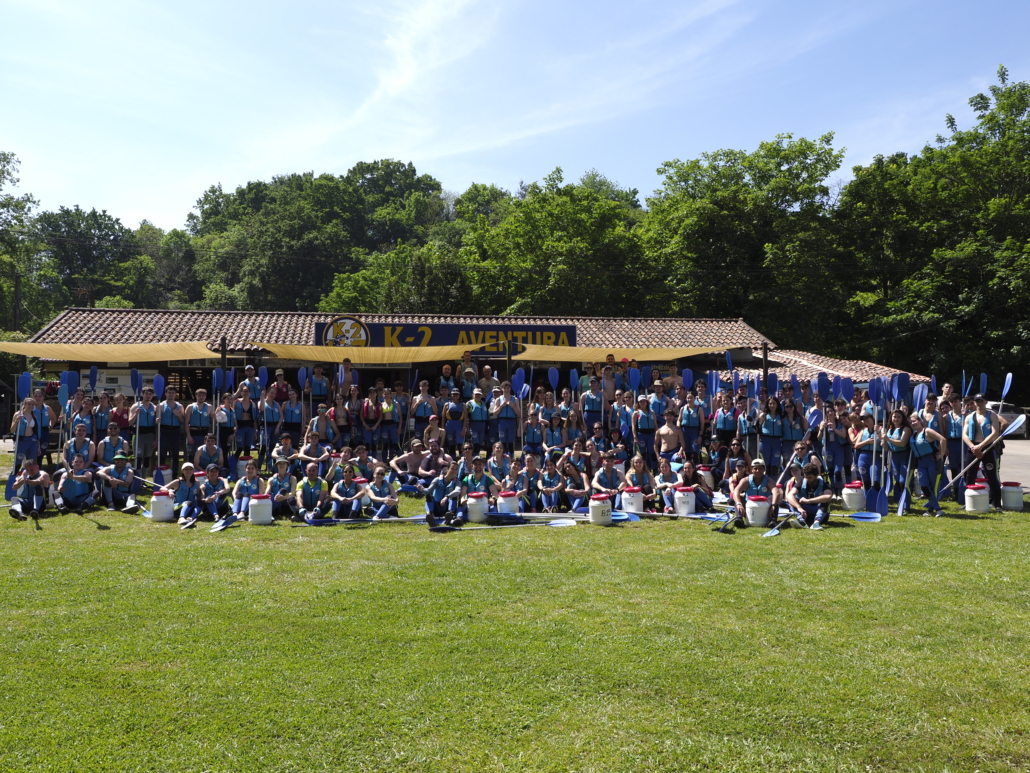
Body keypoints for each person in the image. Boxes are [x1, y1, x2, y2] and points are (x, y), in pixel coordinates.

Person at [963, 394, 1003, 511]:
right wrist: (973, 447)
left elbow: (995, 433)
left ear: (986, 402)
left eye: (981, 401)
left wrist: (981, 446)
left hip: (987, 448)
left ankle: (997, 504)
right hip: (973, 448)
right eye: (977, 401)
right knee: (969, 475)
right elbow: (964, 435)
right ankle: (969, 502)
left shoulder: (992, 415)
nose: (979, 403)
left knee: (991, 475)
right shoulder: (969, 417)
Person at [908, 414, 946, 516]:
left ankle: (931, 510)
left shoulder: (927, 431)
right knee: (924, 487)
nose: (913, 423)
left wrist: (941, 454)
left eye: (914, 421)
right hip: (921, 463)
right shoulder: (913, 435)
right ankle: (938, 510)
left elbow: (942, 439)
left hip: (932, 462)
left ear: (920, 421)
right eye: (911, 422)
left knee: (933, 487)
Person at [731, 458, 782, 524]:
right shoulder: (745, 480)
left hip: (765, 507)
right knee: (738, 499)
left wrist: (773, 505)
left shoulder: (769, 481)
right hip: (750, 507)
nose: (757, 471)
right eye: (755, 469)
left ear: (764, 469)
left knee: (774, 499)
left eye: (760, 468)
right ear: (752, 469)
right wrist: (739, 504)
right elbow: (736, 491)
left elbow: (776, 493)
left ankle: (773, 520)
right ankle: (739, 518)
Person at [881, 409, 912, 509]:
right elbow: (888, 447)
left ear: (903, 418)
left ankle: (906, 505)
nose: (896, 419)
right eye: (894, 417)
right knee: (898, 482)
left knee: (903, 482)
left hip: (904, 456)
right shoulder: (890, 430)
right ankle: (901, 503)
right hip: (894, 457)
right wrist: (884, 444)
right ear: (891, 418)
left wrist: (887, 439)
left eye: (899, 417)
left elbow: (902, 443)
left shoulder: (905, 429)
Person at [785, 463, 832, 528]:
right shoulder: (802, 482)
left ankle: (816, 523)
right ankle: (802, 522)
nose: (807, 479)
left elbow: (828, 497)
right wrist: (799, 507)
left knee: (825, 501)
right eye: (806, 477)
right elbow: (789, 495)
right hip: (804, 513)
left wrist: (808, 501)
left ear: (816, 475)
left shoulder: (824, 483)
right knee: (793, 501)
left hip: (820, 513)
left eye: (810, 477)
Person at [455, 456, 498, 525]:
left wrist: (492, 499)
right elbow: (462, 494)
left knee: (493, 505)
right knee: (460, 504)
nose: (478, 466)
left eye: (480, 464)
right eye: (476, 464)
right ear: (472, 465)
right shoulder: (467, 479)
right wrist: (462, 499)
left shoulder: (488, 479)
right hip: (470, 504)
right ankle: (459, 518)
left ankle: (492, 518)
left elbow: (494, 493)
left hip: (484, 504)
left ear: (483, 466)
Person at [129, 387, 158, 478]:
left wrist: (156, 439)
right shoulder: (136, 406)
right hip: (139, 435)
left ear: (152, 396)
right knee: (138, 459)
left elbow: (156, 426)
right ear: (142, 394)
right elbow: (130, 422)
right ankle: (137, 479)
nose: (148, 396)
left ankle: (143, 480)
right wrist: (135, 414)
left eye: (150, 394)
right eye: (146, 394)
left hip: (150, 436)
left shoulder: (155, 408)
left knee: (147, 459)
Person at [156, 385, 185, 475]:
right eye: (169, 393)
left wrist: (179, 415)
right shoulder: (161, 405)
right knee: (162, 455)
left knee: (175, 455)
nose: (171, 394)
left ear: (175, 394)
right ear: (166, 394)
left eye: (173, 393)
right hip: (164, 431)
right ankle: (162, 474)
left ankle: (174, 475)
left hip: (175, 432)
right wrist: (157, 420)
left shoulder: (179, 406)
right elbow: (156, 421)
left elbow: (183, 421)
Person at [757, 395, 784, 478]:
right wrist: (759, 420)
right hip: (765, 440)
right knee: (766, 464)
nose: (772, 405)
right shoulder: (763, 415)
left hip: (776, 441)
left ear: (777, 404)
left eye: (774, 403)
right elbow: (756, 428)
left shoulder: (781, 416)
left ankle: (775, 481)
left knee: (775, 466)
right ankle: (766, 481)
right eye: (770, 403)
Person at [492, 381, 521, 455]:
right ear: (502, 389)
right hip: (502, 421)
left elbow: (519, 413)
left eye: (508, 388)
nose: (506, 390)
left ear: (510, 388)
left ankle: (511, 457)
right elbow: (495, 413)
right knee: (503, 441)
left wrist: (513, 406)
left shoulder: (515, 399)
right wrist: (501, 406)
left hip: (511, 421)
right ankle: (502, 457)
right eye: (504, 388)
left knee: (511, 441)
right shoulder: (498, 399)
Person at [10, 396, 39, 470]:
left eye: (33, 404)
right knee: (18, 460)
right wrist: (16, 421)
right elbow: (12, 430)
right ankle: (14, 474)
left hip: (32, 440)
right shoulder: (18, 414)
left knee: (32, 461)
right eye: (29, 404)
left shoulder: (34, 415)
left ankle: (31, 475)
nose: (31, 406)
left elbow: (36, 431)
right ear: (24, 404)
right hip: (21, 440)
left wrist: (38, 446)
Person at [854, 413, 880, 491]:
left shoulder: (881, 429)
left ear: (872, 419)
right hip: (863, 457)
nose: (865, 420)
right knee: (866, 482)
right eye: (864, 419)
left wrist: (878, 432)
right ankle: (867, 497)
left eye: (867, 418)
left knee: (875, 482)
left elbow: (884, 441)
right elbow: (857, 445)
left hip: (876, 456)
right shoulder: (863, 431)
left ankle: (876, 497)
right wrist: (867, 442)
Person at [632, 394, 657, 471]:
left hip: (651, 435)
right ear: (638, 403)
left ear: (646, 402)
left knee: (652, 452)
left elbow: (655, 425)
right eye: (641, 402)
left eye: (644, 401)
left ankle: (654, 469)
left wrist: (657, 436)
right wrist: (635, 437)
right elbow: (633, 426)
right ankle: (644, 469)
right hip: (641, 435)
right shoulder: (636, 413)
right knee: (643, 453)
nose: (642, 403)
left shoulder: (652, 412)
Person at [185, 388, 212, 456]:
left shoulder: (209, 407)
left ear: (205, 396)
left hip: (204, 433)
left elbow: (213, 420)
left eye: (203, 395)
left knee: (203, 454)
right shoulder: (190, 407)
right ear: (196, 396)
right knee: (191, 455)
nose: (201, 397)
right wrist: (188, 436)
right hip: (193, 433)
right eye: (199, 395)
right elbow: (186, 422)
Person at [465, 388, 489, 454]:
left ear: (482, 395)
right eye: (476, 394)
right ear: (473, 395)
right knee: (475, 442)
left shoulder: (484, 403)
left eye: (479, 394)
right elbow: (466, 416)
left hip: (482, 426)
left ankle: (477, 455)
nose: (478, 396)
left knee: (480, 442)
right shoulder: (469, 404)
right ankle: (474, 456)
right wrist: (467, 427)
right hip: (473, 425)